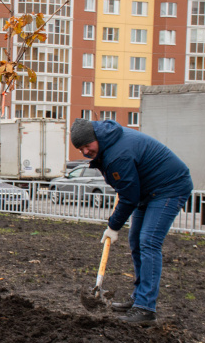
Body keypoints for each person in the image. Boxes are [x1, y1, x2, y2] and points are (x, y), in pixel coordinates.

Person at [70, 118, 193, 324]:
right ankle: (139, 298)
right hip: (148, 190)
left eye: (87, 146)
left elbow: (129, 198)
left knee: (149, 241)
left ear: (96, 137)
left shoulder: (117, 154)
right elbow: (128, 190)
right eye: (80, 148)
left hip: (169, 188)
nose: (85, 152)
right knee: (136, 240)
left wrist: (113, 226)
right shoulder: (108, 145)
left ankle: (146, 308)